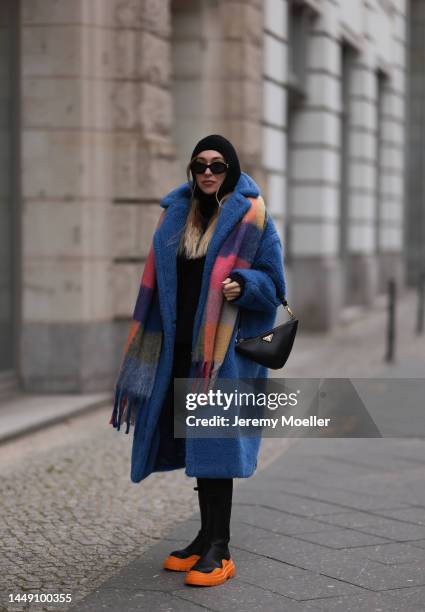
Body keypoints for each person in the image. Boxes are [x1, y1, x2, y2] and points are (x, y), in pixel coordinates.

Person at [110, 134, 286, 587]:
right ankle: (204, 535)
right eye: (200, 165)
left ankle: (220, 548)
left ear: (231, 169)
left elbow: (275, 285)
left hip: (221, 355)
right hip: (176, 351)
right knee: (197, 445)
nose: (208, 172)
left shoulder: (254, 217)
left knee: (215, 447)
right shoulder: (175, 216)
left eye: (218, 165)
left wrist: (245, 286)